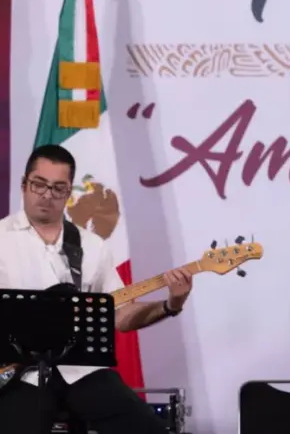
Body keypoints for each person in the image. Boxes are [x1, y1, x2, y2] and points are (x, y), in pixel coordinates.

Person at [0, 144, 194, 434]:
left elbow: (121, 315)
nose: (46, 195)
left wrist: (170, 305)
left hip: (81, 372)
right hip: (16, 375)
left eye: (58, 188)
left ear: (68, 193)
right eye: (38, 184)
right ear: (24, 184)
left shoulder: (92, 247)